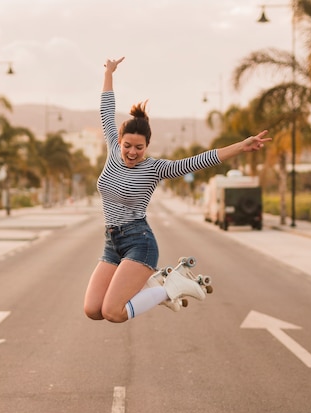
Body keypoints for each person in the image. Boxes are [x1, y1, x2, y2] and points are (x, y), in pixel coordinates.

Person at [84, 57, 271, 323]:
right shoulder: (113, 150)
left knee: (113, 312)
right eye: (128, 145)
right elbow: (106, 109)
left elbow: (199, 160)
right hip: (111, 242)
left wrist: (241, 146)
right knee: (93, 310)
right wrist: (109, 73)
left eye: (139, 147)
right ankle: (161, 287)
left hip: (139, 242)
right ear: (120, 141)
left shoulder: (154, 168)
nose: (132, 152)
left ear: (147, 146)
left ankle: (169, 288)